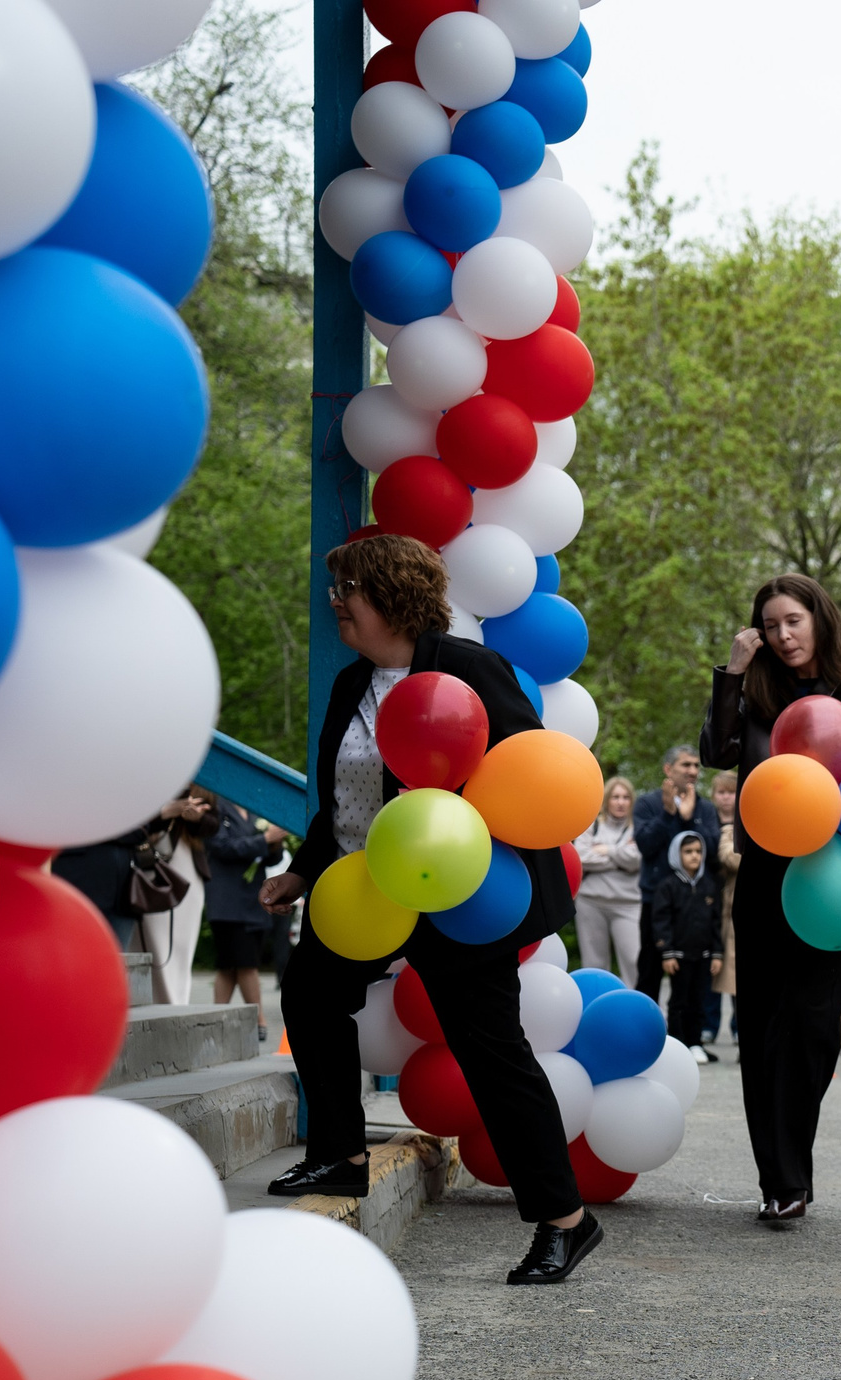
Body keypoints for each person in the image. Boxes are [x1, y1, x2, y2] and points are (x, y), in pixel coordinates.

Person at [261, 534, 595, 1284]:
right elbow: (343, 801)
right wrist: (303, 870)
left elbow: (522, 777)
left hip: (456, 894)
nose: (335, 601)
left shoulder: (470, 670)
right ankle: (339, 1154)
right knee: (311, 993)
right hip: (367, 890)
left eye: (347, 588)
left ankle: (565, 1220)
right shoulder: (352, 683)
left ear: (392, 595)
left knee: (491, 1053)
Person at [702, 574, 841, 1217]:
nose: (783, 635)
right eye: (770, 626)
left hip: (834, 881)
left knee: (812, 1028)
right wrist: (733, 674)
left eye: (793, 620)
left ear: (820, 618)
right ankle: (782, 1182)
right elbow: (718, 752)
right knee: (762, 1028)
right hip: (765, 876)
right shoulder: (756, 693)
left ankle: (791, 1166)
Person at [632, 747, 717, 1002]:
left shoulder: (705, 808)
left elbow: (712, 851)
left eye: (696, 766)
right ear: (668, 769)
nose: (693, 771)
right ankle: (645, 1024)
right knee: (649, 972)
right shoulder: (648, 803)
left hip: (694, 904)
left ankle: (684, 1028)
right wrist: (668, 815)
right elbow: (645, 845)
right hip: (656, 902)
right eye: (686, 765)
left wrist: (689, 820)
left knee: (691, 979)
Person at [205, 807, 288, 1042]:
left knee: (231, 966)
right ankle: (258, 1019)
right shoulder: (217, 806)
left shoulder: (254, 809)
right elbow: (222, 846)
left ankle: (216, 1020)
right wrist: (264, 839)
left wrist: (275, 844)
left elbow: (272, 858)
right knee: (244, 963)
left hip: (253, 900)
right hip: (227, 901)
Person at [138, 786, 218, 1004]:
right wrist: (167, 811)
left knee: (182, 945)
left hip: (188, 866)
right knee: (155, 941)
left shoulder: (208, 781)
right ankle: (158, 1000)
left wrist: (197, 818)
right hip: (153, 866)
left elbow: (215, 825)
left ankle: (178, 1001)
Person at [653, 830, 722, 1048]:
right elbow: (661, 921)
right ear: (677, 854)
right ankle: (678, 1043)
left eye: (698, 851)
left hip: (703, 956)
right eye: (688, 851)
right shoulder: (668, 886)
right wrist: (667, 953)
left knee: (699, 1000)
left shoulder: (709, 885)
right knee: (679, 1001)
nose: (694, 856)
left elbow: (716, 922)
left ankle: (695, 1043)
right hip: (679, 956)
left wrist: (717, 953)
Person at [572, 776, 644, 984]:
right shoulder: (592, 825)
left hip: (628, 904)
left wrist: (606, 850)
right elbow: (581, 857)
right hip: (591, 902)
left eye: (625, 797)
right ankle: (597, 1001)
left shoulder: (638, 827)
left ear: (631, 801)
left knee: (634, 961)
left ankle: (633, 1003)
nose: (620, 802)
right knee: (594, 963)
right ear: (607, 800)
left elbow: (637, 859)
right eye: (615, 797)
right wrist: (620, 858)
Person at [706, 769, 739, 1051]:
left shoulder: (746, 820)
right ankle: (709, 1024)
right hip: (709, 900)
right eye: (721, 792)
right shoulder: (707, 819)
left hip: (733, 902)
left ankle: (739, 1026)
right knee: (712, 962)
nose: (726, 798)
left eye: (731, 792)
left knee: (735, 964)